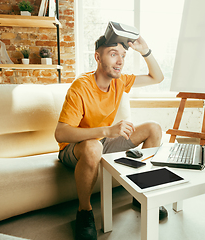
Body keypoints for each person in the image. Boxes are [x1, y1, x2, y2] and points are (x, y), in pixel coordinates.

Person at [54, 34, 165, 240]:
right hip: (75, 147)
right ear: (97, 57)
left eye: (122, 55)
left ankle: (140, 194)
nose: (120, 61)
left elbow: (157, 78)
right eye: (113, 54)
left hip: (102, 142)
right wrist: (107, 131)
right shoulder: (81, 87)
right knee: (93, 147)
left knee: (154, 128)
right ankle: (84, 212)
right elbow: (61, 133)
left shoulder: (120, 81)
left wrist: (145, 51)